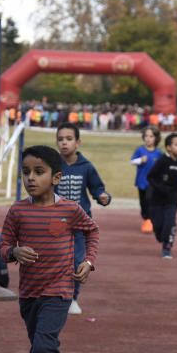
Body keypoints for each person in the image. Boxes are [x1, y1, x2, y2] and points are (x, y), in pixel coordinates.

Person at [0, 146, 99, 353]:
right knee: (39, 351)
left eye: (39, 172)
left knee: (43, 347)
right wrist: (14, 251)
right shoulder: (18, 211)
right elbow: (3, 246)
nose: (31, 178)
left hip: (59, 290)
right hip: (29, 294)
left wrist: (88, 261)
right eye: (26, 172)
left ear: (56, 178)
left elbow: (91, 231)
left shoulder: (69, 209)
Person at [55, 122, 111, 316]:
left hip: (79, 224)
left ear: (77, 142)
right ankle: (54, 296)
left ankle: (72, 297)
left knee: (78, 260)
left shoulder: (86, 167)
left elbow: (97, 188)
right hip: (56, 225)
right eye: (60, 139)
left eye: (69, 139)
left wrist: (103, 196)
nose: (64, 143)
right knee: (55, 261)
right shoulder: (53, 165)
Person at [147, 132, 177, 259]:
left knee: (170, 223)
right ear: (168, 147)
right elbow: (151, 177)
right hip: (157, 199)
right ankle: (162, 237)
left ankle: (167, 247)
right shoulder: (162, 161)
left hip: (172, 199)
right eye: (176, 144)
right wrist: (161, 187)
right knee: (159, 226)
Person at [129, 126, 162, 234]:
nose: (148, 138)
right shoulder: (140, 150)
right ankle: (146, 218)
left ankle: (150, 220)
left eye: (151, 136)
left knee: (150, 199)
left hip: (153, 183)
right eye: (146, 136)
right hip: (141, 181)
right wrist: (140, 160)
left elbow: (163, 166)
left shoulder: (159, 153)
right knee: (143, 202)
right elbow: (132, 161)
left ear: (156, 138)